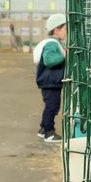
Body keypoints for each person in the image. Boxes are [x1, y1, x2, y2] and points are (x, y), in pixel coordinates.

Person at [34, 13, 67, 143]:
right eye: (65, 29)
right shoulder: (52, 44)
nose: (67, 32)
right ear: (57, 29)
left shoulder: (55, 43)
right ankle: (49, 132)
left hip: (52, 82)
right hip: (50, 82)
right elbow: (49, 60)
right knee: (52, 107)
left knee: (51, 105)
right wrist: (64, 55)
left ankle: (43, 129)